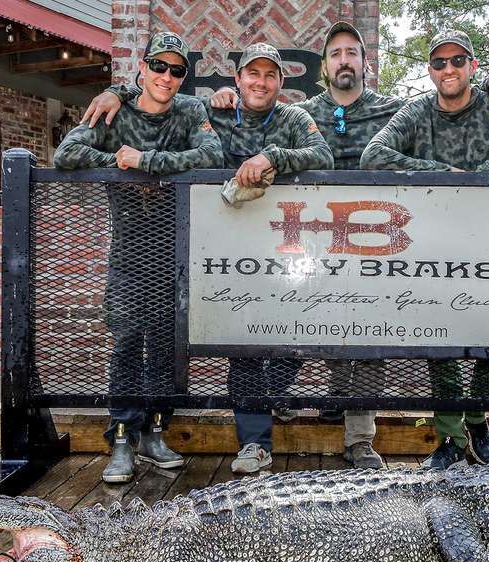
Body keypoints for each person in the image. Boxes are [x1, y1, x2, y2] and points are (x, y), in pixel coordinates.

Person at [201, 23, 489, 469]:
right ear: (324, 67)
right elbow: (263, 129)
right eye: (335, 53)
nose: (344, 60)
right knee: (302, 326)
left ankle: (360, 437)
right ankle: (304, 400)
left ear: (365, 64)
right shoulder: (303, 114)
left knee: (368, 338)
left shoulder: (391, 110)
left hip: (377, 240)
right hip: (311, 243)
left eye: (353, 52)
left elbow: (447, 97)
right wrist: (223, 95)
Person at [86, 41, 334, 474]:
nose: (260, 82)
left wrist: (271, 156)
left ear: (281, 82)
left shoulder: (294, 118)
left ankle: (269, 402)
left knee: (292, 333)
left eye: (270, 75)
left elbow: (322, 156)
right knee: (234, 342)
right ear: (236, 80)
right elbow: (162, 96)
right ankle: (240, 438)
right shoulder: (212, 112)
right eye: (251, 74)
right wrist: (118, 91)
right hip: (210, 253)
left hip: (283, 255)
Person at [361, 29, 489, 470]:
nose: (448, 69)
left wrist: (488, 172)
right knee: (443, 340)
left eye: (458, 61)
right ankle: (451, 438)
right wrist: (442, 171)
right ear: (430, 70)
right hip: (435, 245)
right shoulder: (418, 112)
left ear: (473, 67)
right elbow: (373, 156)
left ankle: (477, 416)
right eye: (439, 63)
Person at [56, 31, 223, 483]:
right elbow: (67, 151)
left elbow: (211, 154)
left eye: (177, 70)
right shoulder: (117, 110)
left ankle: (154, 430)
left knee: (166, 344)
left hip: (174, 245)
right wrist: (118, 161)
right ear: (143, 68)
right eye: (159, 66)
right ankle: (123, 437)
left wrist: (144, 159)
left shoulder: (190, 110)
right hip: (130, 246)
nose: (166, 76)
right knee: (128, 339)